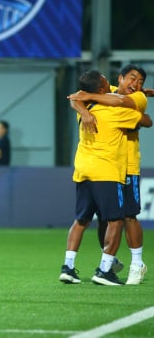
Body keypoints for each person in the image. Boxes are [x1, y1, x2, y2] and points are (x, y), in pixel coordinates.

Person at [59, 70, 150, 286]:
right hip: (111, 169)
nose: (136, 84)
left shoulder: (134, 96)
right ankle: (105, 268)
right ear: (119, 79)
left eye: (140, 81)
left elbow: (79, 96)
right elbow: (147, 120)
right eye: (132, 78)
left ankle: (69, 266)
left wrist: (85, 106)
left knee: (84, 219)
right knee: (116, 219)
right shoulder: (114, 109)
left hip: (83, 170)